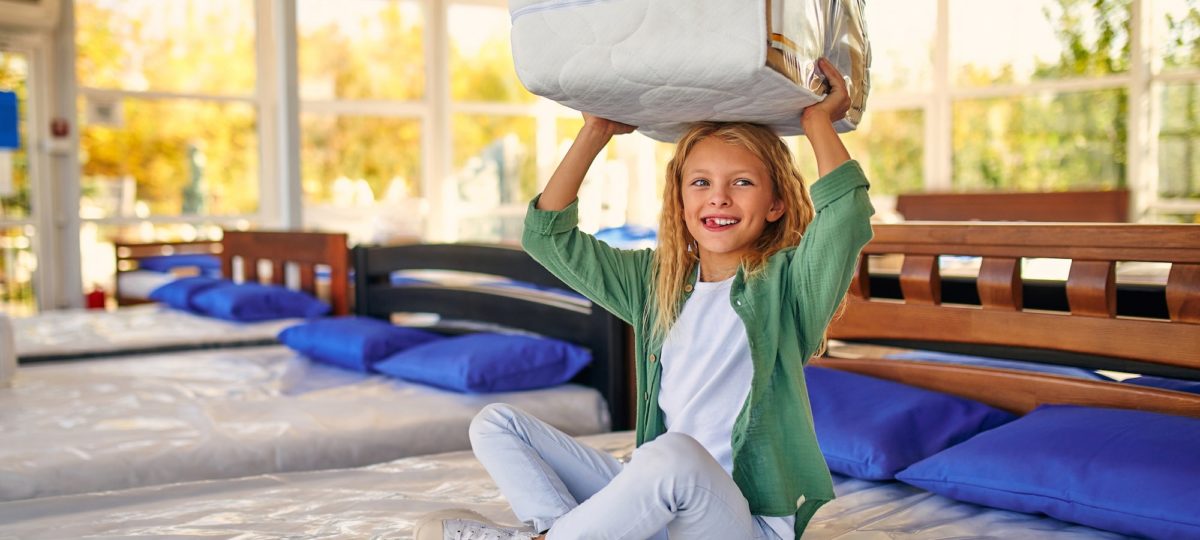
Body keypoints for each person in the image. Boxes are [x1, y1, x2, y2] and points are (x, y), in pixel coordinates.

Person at [416, 57, 874, 540]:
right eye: (701, 183)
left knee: (670, 454)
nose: (718, 198)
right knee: (495, 424)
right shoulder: (656, 282)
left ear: (776, 204)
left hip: (746, 522)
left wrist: (815, 121)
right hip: (661, 493)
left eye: (742, 182)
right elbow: (547, 237)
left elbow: (844, 217)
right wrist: (596, 132)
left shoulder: (791, 286)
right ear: (679, 200)